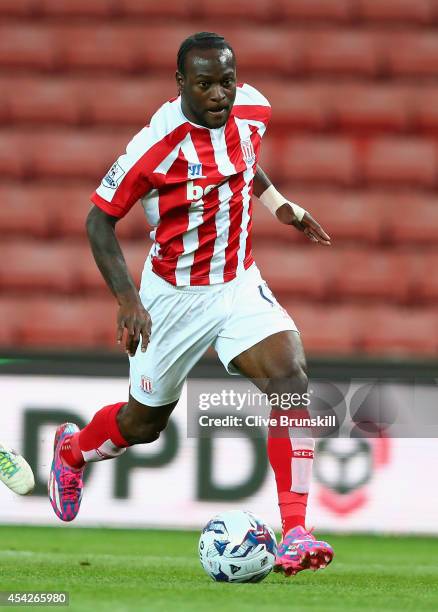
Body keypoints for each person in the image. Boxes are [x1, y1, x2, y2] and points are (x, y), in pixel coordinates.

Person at [48, 32, 333, 576]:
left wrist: (281, 206)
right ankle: (74, 451)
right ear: (181, 83)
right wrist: (127, 299)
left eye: (226, 81)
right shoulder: (156, 147)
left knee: (292, 381)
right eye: (204, 84)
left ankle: (296, 530)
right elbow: (98, 221)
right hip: (173, 296)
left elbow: (246, 162)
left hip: (236, 283)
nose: (219, 95)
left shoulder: (252, 109)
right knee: (143, 424)